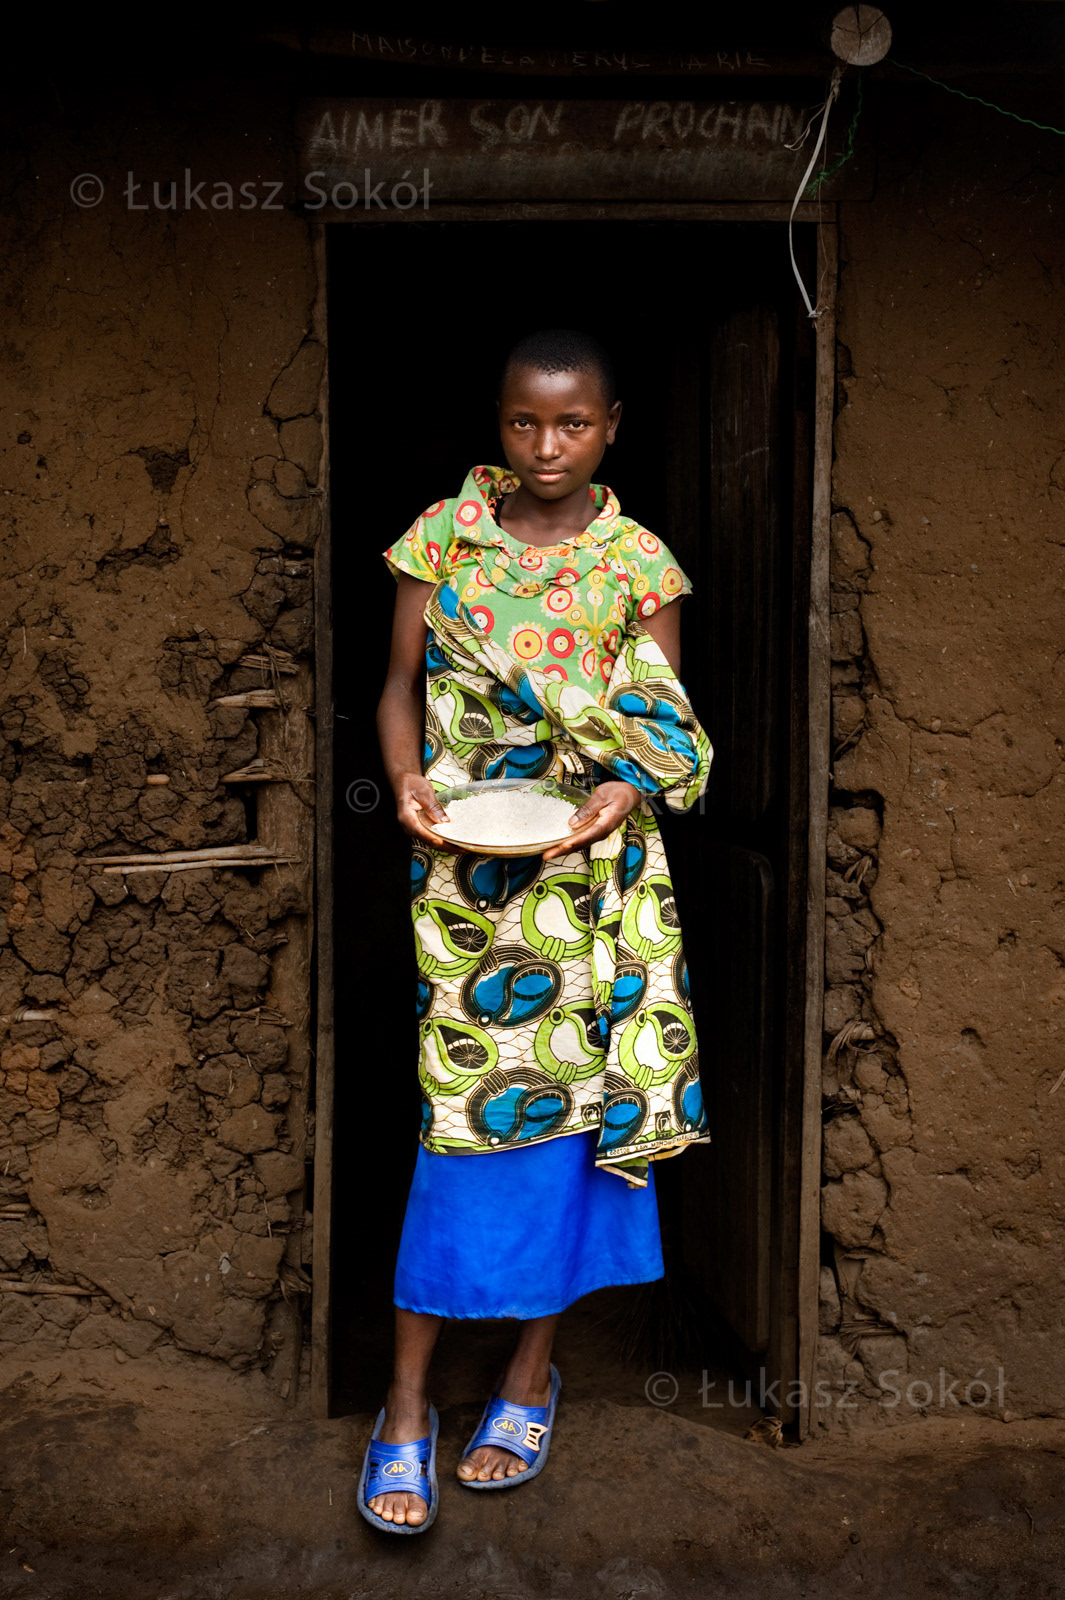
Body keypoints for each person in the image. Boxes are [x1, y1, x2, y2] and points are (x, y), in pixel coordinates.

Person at [358, 329, 712, 1532]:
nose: (545, 446)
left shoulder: (639, 564)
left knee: (568, 1104)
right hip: (462, 868)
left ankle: (525, 1376)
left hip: (589, 877)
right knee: (456, 1109)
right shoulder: (442, 537)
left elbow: (660, 730)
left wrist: (622, 788)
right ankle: (404, 1402)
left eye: (571, 424)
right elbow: (398, 683)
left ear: (612, 426)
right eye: (522, 423)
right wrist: (407, 784)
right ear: (496, 424)